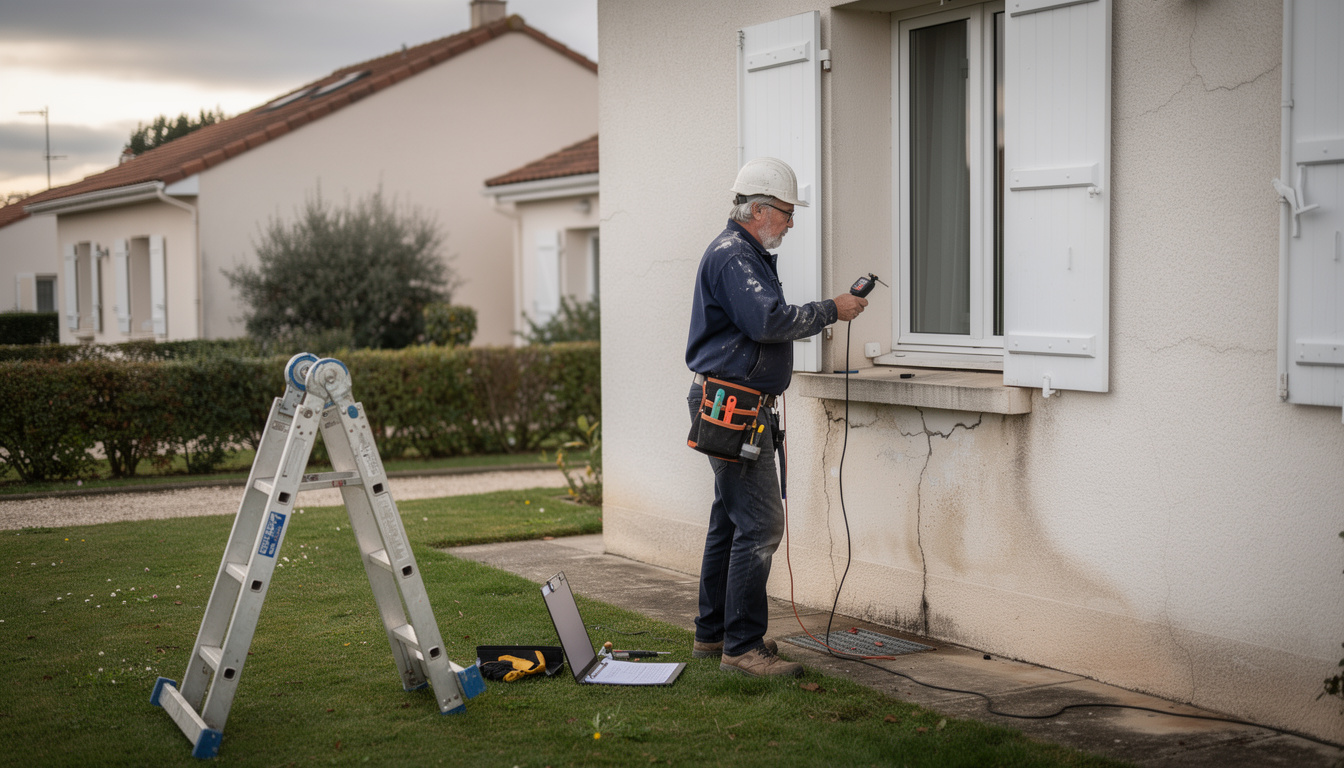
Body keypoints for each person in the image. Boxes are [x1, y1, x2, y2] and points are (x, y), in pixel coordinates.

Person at [685, 157, 867, 677]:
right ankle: (742, 649)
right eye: (786, 213)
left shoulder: (746, 254)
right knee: (761, 526)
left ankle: (712, 634)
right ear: (759, 209)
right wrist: (833, 308)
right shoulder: (733, 255)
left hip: (732, 404)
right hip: (732, 408)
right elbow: (767, 321)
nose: (791, 222)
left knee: (729, 520)